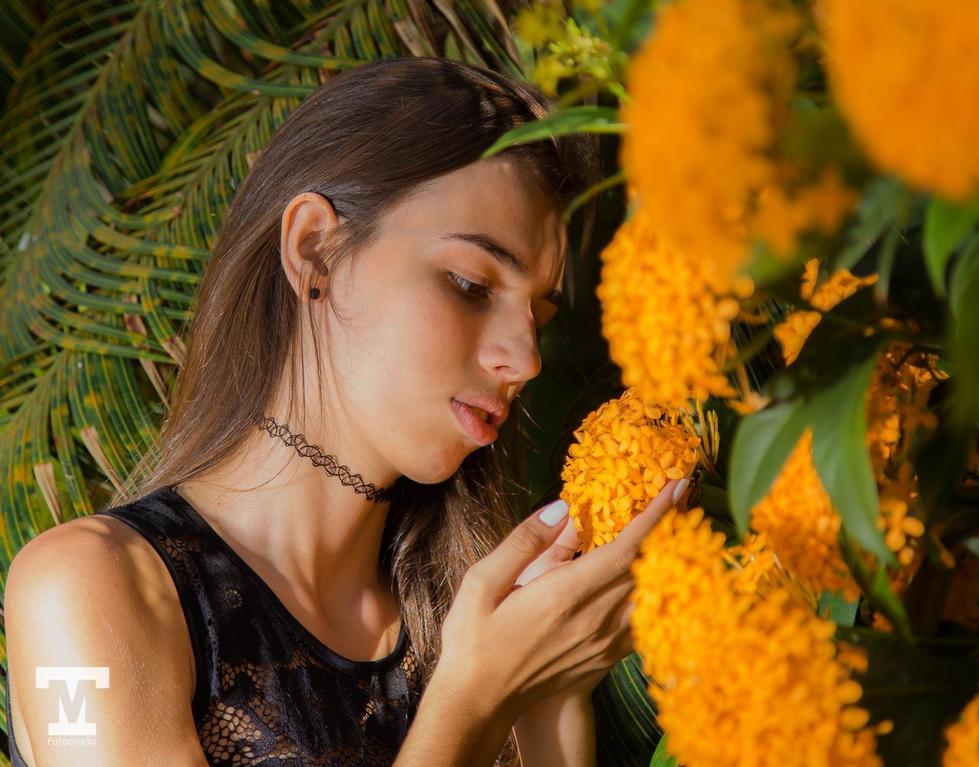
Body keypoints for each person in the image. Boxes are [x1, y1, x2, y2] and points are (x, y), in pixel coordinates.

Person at [3, 56, 689, 766]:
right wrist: (475, 700)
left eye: (538, 317)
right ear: (316, 251)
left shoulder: (493, 628)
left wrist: (541, 693)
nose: (526, 359)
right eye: (469, 283)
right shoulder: (83, 589)